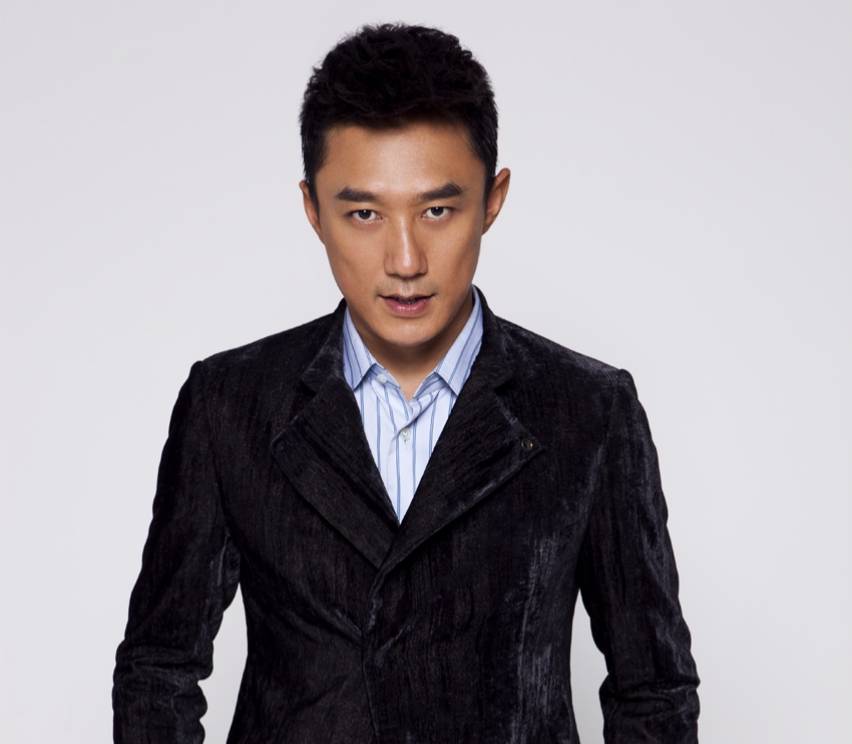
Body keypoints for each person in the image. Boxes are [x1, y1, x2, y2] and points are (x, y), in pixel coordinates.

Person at [112, 22, 700, 744]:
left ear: (492, 200)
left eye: (437, 210)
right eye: (363, 213)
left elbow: (654, 690)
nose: (405, 260)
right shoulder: (229, 404)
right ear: (312, 209)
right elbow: (159, 669)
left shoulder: (589, 411)